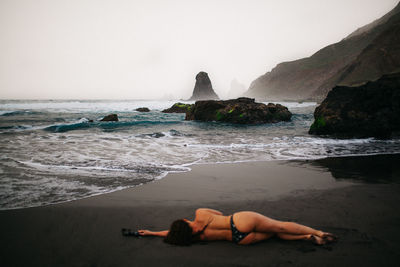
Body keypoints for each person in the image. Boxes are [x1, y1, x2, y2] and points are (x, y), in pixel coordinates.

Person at [136, 208, 337, 246]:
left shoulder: (195, 238)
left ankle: (306, 239)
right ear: (184, 220)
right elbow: (220, 214)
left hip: (240, 240)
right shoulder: (200, 213)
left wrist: (152, 233)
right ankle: (319, 232)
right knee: (279, 227)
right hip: (238, 221)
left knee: (275, 234)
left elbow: (170, 233)